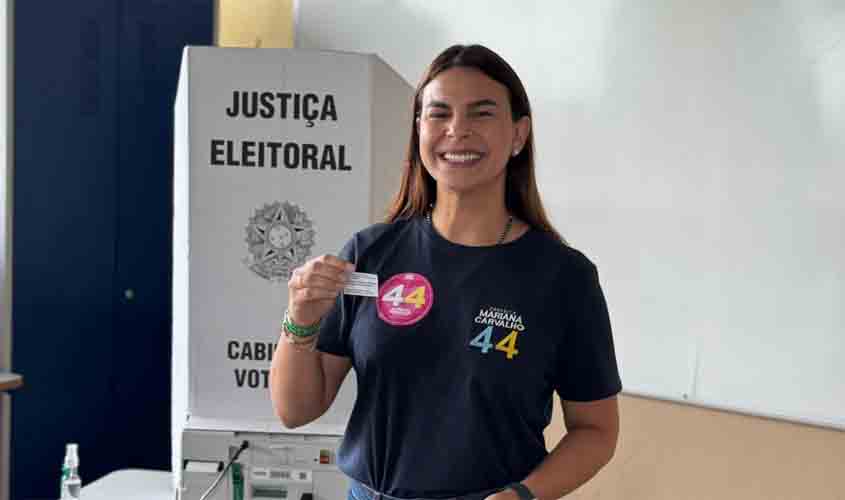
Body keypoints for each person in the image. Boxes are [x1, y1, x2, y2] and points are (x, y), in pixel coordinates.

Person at [270, 44, 621, 500]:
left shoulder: (564, 279)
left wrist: (523, 496)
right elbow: (295, 410)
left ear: (518, 134)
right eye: (439, 114)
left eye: (481, 113)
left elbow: (596, 431)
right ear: (419, 130)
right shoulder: (371, 253)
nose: (458, 131)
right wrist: (301, 316)